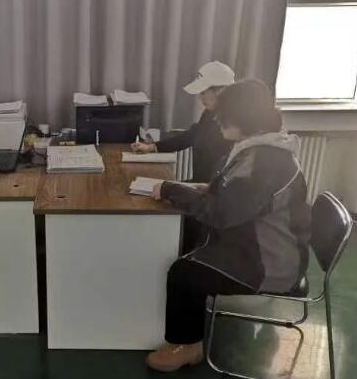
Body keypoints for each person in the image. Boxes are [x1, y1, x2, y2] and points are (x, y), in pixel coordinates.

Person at [145, 80, 311, 373]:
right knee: (187, 238)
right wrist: (192, 188)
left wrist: (171, 189)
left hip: (269, 263)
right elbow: (227, 192)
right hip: (255, 244)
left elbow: (221, 213)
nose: (217, 120)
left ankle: (186, 345)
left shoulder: (265, 161)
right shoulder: (256, 149)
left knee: (183, 271)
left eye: (223, 115)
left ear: (244, 118)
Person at [132, 61, 236, 253]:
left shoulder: (233, 128)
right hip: (200, 187)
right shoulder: (210, 114)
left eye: (204, 92)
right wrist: (153, 147)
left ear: (221, 91)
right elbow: (191, 136)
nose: (200, 97)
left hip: (210, 199)